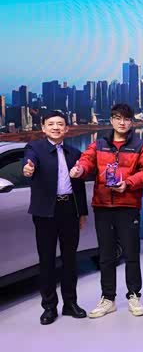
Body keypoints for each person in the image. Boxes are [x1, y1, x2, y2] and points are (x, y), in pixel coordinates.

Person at [70, 103, 143, 319]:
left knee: (131, 253)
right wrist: (80, 169)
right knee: (106, 255)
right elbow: (87, 161)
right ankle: (108, 298)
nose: (122, 122)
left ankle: (134, 295)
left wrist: (128, 183)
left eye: (126, 119)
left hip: (128, 205)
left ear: (132, 122)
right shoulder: (99, 144)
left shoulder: (140, 145)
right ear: (112, 120)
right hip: (103, 205)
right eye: (118, 118)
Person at [23, 111, 89, 325]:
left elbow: (79, 187)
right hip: (46, 212)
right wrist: (28, 168)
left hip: (69, 209)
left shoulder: (74, 152)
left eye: (60, 124)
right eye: (51, 124)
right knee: (47, 260)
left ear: (66, 129)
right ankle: (49, 307)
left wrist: (82, 212)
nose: (56, 127)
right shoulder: (35, 148)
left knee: (70, 260)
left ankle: (70, 304)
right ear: (43, 128)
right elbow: (29, 162)